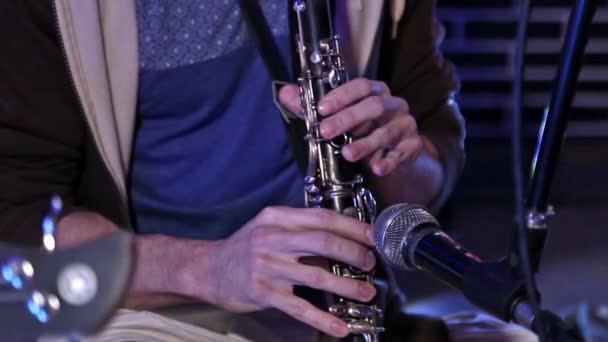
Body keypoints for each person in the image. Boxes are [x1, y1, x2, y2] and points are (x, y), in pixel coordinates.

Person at [0, 0, 466, 341]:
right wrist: (209, 268)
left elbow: (428, 177)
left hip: (333, 312)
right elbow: (18, 224)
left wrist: (393, 156)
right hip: (144, 315)